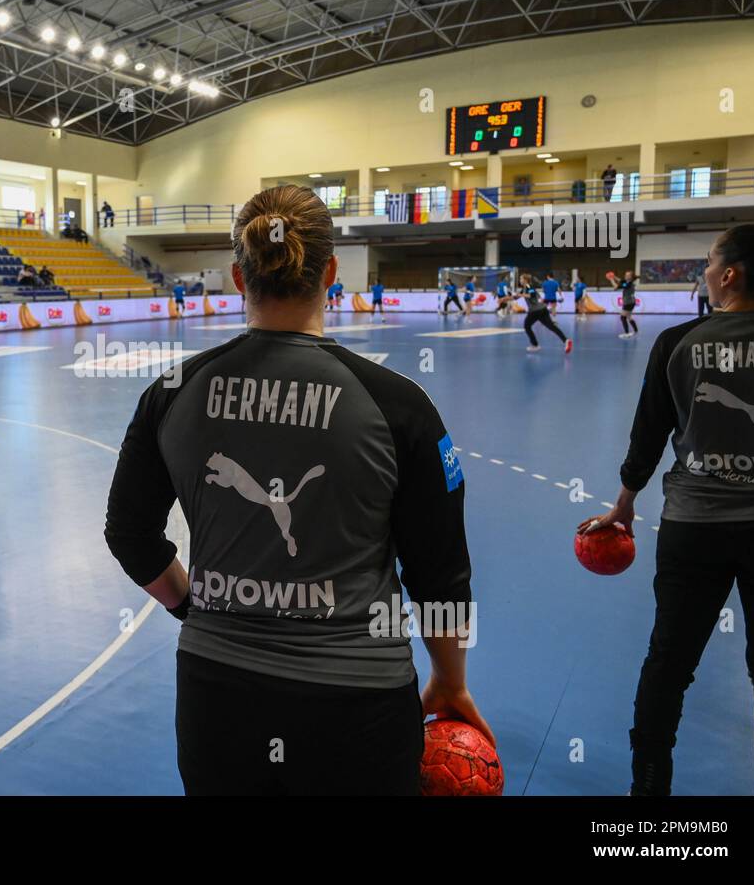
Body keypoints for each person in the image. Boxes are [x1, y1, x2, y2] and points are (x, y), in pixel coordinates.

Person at [103, 185, 491, 795]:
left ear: (238, 275)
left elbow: (129, 535)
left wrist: (193, 609)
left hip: (216, 698)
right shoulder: (399, 407)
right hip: (358, 706)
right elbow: (440, 573)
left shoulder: (172, 393)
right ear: (331, 272)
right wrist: (450, 678)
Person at [581, 222, 754, 796]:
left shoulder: (678, 344)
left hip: (695, 529)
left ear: (729, 274)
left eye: (710, 260)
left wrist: (623, 505)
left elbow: (648, 436)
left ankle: (648, 789)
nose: (705, 271)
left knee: (669, 660)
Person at [517, 273, 572, 354]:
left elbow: (531, 295)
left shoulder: (529, 286)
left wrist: (520, 294)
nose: (520, 280)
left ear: (525, 280)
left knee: (527, 326)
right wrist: (508, 297)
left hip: (535, 311)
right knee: (551, 326)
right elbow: (517, 296)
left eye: (521, 279)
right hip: (542, 309)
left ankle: (535, 345)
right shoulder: (524, 288)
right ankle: (566, 340)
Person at [608, 270, 639, 338]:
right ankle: (636, 330)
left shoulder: (629, 284)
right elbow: (621, 280)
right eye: (625, 275)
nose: (625, 276)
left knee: (623, 317)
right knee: (629, 317)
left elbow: (616, 287)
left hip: (628, 303)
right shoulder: (627, 282)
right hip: (630, 302)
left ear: (630, 277)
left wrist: (611, 280)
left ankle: (627, 333)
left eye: (627, 275)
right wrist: (614, 276)